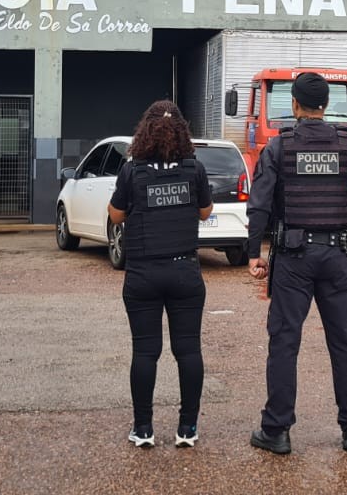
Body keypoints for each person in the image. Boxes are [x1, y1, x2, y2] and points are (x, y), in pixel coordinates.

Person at [245, 72, 347, 455]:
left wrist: (252, 253)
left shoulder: (279, 148)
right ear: (326, 105)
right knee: (344, 341)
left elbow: (259, 203)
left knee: (284, 341)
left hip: (293, 258)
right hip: (339, 256)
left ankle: (276, 431)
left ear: (294, 105)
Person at [106, 100, 213, 448]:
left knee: (145, 351)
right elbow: (205, 211)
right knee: (188, 350)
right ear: (182, 131)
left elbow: (117, 215)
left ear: (144, 132)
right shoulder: (192, 169)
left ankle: (143, 429)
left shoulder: (132, 170)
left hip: (143, 274)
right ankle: (187, 429)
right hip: (184, 270)